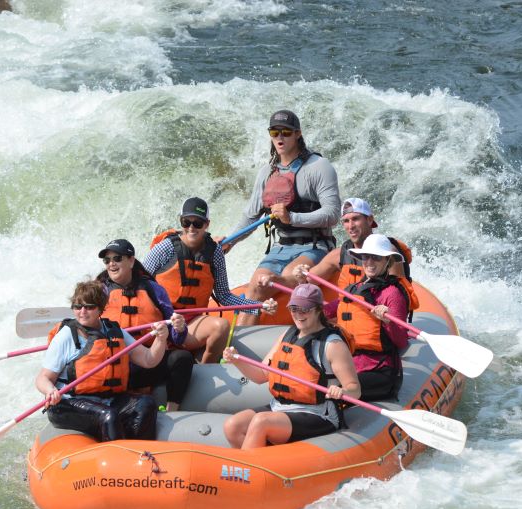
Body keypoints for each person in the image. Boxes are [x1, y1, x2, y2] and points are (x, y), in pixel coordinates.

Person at [223, 110, 341, 326]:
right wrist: (229, 242)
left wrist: (292, 218)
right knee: (256, 285)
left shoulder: (318, 167)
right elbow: (251, 216)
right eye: (274, 132)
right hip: (280, 248)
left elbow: (333, 214)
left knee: (288, 274)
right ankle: (236, 346)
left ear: (298, 134)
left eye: (286, 132)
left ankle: (278, 284)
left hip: (314, 246)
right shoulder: (267, 173)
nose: (280, 137)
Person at [222, 283, 360, 450]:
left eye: (305, 309)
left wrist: (342, 392)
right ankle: (262, 465)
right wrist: (237, 360)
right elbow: (261, 376)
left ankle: (247, 472)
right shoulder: (287, 336)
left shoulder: (333, 345)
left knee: (261, 422)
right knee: (233, 425)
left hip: (318, 412)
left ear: (318, 310)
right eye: (294, 309)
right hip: (280, 407)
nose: (298, 314)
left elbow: (355, 390)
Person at [142, 196, 277, 363]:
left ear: (207, 224)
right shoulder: (165, 248)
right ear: (181, 222)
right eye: (186, 222)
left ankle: (205, 371)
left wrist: (257, 307)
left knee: (221, 326)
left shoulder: (215, 253)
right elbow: (140, 281)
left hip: (191, 323)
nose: (191, 228)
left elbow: (223, 296)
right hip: (161, 319)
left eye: (198, 223)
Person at [35, 280, 168, 442]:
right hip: (67, 404)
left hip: (106, 399)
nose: (82, 311)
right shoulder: (66, 336)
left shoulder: (113, 331)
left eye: (89, 306)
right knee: (108, 416)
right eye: (77, 307)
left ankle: (140, 453)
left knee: (146, 403)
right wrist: (50, 390)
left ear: (100, 308)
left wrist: (161, 338)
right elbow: (43, 378)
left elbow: (148, 360)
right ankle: (119, 459)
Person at [300, 234, 413, 401]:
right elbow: (326, 311)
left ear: (387, 261)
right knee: (308, 384)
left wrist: (387, 321)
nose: (369, 262)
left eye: (376, 257)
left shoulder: (392, 294)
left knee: (327, 393)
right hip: (350, 365)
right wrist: (302, 306)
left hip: (379, 371)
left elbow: (401, 341)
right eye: (366, 257)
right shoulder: (354, 289)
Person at [95, 239, 191, 411]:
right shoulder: (99, 291)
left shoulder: (153, 289)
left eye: (117, 258)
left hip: (148, 360)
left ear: (131, 261)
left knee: (182, 358)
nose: (111, 264)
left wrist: (180, 327)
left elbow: (177, 338)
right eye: (107, 260)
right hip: (113, 367)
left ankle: (172, 410)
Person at [261, 197, 413, 293]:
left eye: (356, 219)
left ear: (369, 220)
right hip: (352, 317)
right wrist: (276, 279)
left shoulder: (388, 252)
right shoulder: (339, 255)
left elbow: (397, 294)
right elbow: (307, 280)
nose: (350, 226)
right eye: (346, 221)